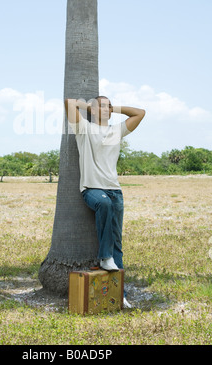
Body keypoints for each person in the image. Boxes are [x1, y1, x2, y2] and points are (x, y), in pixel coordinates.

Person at [65, 96, 145, 308]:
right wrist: (87, 107)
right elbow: (68, 103)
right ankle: (104, 257)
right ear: (92, 109)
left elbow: (140, 113)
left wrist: (112, 107)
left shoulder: (116, 130)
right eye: (101, 105)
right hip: (92, 189)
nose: (106, 108)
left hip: (115, 191)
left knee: (117, 242)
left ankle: (120, 295)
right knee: (104, 204)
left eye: (108, 105)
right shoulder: (83, 128)